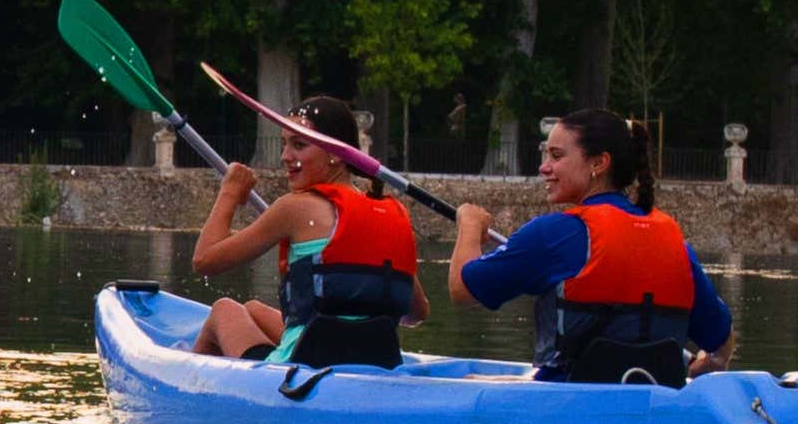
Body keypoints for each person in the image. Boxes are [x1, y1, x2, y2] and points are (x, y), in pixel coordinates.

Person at [453, 108, 732, 384]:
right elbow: (722, 344)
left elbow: (462, 291)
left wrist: (469, 225)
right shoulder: (676, 244)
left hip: (569, 399)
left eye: (556, 156)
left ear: (599, 163)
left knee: (469, 380)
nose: (544, 167)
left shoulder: (554, 234)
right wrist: (705, 365)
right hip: (654, 398)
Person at [178, 94, 421, 365]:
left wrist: (230, 191)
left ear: (335, 154)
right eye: (285, 144)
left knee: (223, 309)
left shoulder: (295, 207)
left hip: (306, 363)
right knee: (253, 310)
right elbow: (417, 313)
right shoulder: (389, 213)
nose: (285, 156)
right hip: (380, 359)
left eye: (299, 145)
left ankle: (186, 379)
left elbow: (204, 260)